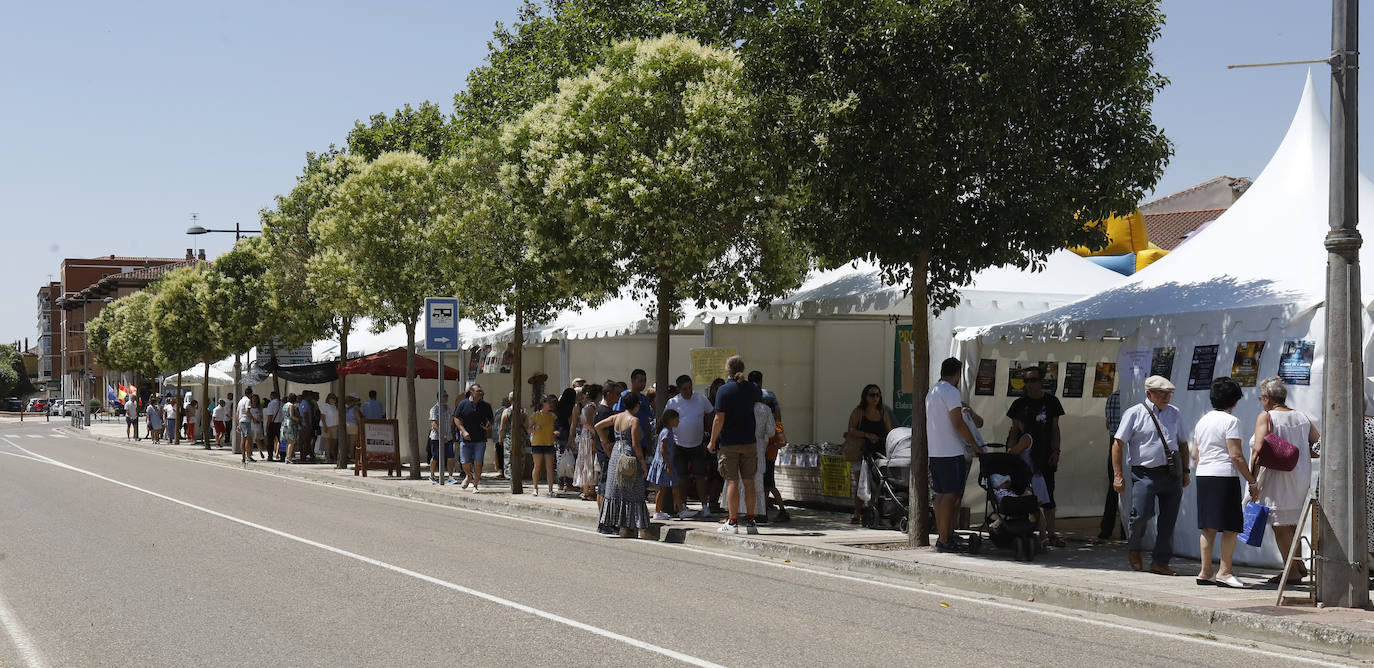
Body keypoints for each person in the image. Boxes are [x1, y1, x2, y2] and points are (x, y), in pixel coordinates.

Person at [1113, 375, 1191, 576]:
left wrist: (1186, 471)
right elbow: (1118, 444)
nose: (1166, 397)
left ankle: (1160, 562)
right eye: (1162, 393)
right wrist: (1118, 475)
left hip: (1171, 473)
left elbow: (1183, 443)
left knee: (1168, 520)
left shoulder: (1175, 413)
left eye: (1169, 394)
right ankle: (1134, 548)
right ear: (1149, 394)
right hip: (1144, 474)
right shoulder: (1135, 413)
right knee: (1140, 515)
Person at [1250, 376, 1320, 585]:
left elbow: (1257, 449)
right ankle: (1297, 565)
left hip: (1276, 478)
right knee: (1292, 524)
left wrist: (1252, 481)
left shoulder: (1266, 416)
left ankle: (1291, 570)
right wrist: (1298, 453)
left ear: (1267, 398)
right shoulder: (1301, 417)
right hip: (1299, 477)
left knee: (1280, 526)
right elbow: (1318, 445)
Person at [1192, 377, 1257, 588]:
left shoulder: (1202, 420)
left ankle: (1205, 571)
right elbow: (1236, 455)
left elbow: (1195, 454)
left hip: (1203, 475)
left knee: (1208, 527)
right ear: (1235, 400)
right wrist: (1251, 480)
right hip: (1224, 476)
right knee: (1230, 527)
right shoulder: (1231, 421)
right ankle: (1225, 571)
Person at [927, 358, 985, 552]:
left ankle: (945, 535)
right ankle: (944, 538)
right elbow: (958, 424)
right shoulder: (951, 392)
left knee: (941, 496)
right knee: (950, 496)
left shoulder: (932, 392)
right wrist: (975, 445)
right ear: (957, 374)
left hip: (936, 451)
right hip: (951, 451)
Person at [1005, 365, 1066, 546]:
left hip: (1045, 455)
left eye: (1033, 380)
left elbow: (1055, 429)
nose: (1029, 384)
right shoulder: (1019, 404)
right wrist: (1011, 452)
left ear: (1041, 381)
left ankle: (1051, 533)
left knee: (1048, 495)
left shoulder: (1052, 402)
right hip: (1024, 455)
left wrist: (1056, 451)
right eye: (1026, 381)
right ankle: (1030, 531)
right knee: (1025, 494)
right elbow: (1014, 430)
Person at [707, 355, 761, 535]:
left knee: (732, 482)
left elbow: (718, 419)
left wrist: (712, 441)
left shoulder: (723, 391)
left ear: (727, 369)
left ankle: (733, 522)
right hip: (749, 441)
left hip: (729, 442)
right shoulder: (752, 388)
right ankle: (751, 522)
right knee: (749, 482)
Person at [595, 389, 653, 538]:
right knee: (636, 491)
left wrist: (605, 442)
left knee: (619, 492)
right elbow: (636, 444)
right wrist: (643, 463)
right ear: (636, 405)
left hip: (616, 455)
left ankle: (624, 528)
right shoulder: (634, 420)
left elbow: (597, 426)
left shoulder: (617, 417)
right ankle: (643, 530)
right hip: (629, 456)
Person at [665, 375, 712, 519]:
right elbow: (666, 421)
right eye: (685, 389)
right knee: (682, 477)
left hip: (697, 444)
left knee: (700, 476)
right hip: (679, 445)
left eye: (690, 387)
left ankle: (705, 506)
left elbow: (711, 414)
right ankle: (683, 505)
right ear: (679, 389)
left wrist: (708, 435)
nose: (688, 391)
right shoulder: (673, 402)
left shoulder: (701, 399)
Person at [847, 383, 892, 523]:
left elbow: (890, 431)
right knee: (861, 482)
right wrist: (867, 435)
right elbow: (851, 430)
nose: (875, 398)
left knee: (875, 484)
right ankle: (857, 512)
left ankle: (872, 510)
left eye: (878, 395)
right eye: (872, 395)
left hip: (877, 453)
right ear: (865, 397)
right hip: (860, 452)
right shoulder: (858, 412)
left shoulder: (883, 412)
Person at [748, 370, 788, 523]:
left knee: (767, 483)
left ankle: (775, 510)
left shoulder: (749, 398)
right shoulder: (770, 395)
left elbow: (778, 430)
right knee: (766, 483)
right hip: (767, 448)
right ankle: (763, 510)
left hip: (763, 448)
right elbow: (778, 416)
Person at [594, 383, 622, 533]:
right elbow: (604, 438)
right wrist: (611, 455)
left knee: (603, 488)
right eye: (617, 393)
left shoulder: (604, 410)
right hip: (606, 454)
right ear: (609, 394)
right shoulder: (604, 412)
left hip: (603, 453)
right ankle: (605, 522)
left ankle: (603, 520)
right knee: (605, 489)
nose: (619, 397)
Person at [455, 384, 494, 493]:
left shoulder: (486, 405)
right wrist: (463, 431)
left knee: (478, 462)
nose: (481, 393)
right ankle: (468, 476)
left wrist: (488, 426)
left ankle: (476, 485)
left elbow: (491, 420)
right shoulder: (463, 404)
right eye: (478, 391)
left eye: (481, 391)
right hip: (466, 439)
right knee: (465, 463)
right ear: (472, 392)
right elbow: (456, 419)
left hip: (480, 439)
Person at [1099, 389, 1125, 541]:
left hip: (1113, 443)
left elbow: (1108, 424)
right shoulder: (1135, 399)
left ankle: (1106, 529)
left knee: (1113, 487)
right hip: (1127, 445)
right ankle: (1124, 529)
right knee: (1127, 490)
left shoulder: (1112, 397)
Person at [648, 409, 680, 520]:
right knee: (663, 489)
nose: (678, 421)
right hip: (665, 464)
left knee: (673, 486)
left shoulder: (668, 431)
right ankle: (658, 511)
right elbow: (662, 450)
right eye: (676, 419)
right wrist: (668, 465)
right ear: (670, 420)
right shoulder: (666, 432)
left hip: (666, 463)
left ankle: (680, 509)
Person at [573, 385, 603, 500]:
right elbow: (587, 422)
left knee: (587, 462)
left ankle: (587, 489)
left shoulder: (587, 406)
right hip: (589, 437)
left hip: (585, 436)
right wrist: (596, 433)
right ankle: (588, 490)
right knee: (589, 462)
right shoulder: (592, 406)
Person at [528, 395, 559, 496]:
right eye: (548, 402)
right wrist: (534, 428)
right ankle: (535, 488)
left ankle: (550, 489)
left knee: (550, 467)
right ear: (543, 403)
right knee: (537, 466)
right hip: (537, 444)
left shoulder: (553, 416)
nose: (550, 405)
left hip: (549, 443)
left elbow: (556, 427)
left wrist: (556, 432)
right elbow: (528, 430)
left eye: (551, 403)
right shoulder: (536, 415)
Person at [428, 390, 456, 484]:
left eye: (447, 395)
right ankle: (432, 475)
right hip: (437, 437)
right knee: (435, 456)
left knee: (451, 456)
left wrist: (452, 432)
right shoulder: (434, 409)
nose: (447, 397)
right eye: (445, 396)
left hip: (449, 436)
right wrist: (442, 434)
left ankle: (450, 476)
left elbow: (450, 422)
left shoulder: (448, 408)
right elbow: (434, 424)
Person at [554, 387, 577, 492]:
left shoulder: (558, 406)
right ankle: (568, 483)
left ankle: (560, 483)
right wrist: (571, 439)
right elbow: (571, 423)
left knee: (560, 458)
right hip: (566, 433)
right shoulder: (570, 407)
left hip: (558, 433)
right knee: (569, 459)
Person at [493, 394, 511, 479]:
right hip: (505, 436)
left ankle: (501, 471)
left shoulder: (498, 411)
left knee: (500, 455)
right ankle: (505, 472)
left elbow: (495, 424)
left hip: (497, 436)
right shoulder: (508, 411)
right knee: (506, 455)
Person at [320, 393, 340, 464]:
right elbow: (322, 416)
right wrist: (325, 426)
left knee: (334, 442)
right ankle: (328, 457)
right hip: (326, 426)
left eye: (334, 398)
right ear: (328, 399)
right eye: (331, 398)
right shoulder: (325, 406)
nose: (333, 400)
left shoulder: (335, 406)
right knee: (327, 442)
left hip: (334, 426)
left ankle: (330, 454)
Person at [281, 394, 300, 463]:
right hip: (291, 424)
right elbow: (291, 415)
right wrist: (298, 419)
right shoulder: (291, 405)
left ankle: (287, 456)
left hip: (285, 423)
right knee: (292, 441)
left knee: (288, 441)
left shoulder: (284, 405)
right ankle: (288, 457)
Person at [237, 391, 254, 457]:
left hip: (241, 420)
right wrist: (253, 418)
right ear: (250, 394)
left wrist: (238, 424)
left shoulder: (240, 401)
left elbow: (237, 413)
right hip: (246, 421)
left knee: (243, 439)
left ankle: (243, 456)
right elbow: (247, 411)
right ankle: (248, 456)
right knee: (248, 439)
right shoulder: (248, 400)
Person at [250, 395, 267, 461]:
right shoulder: (249, 407)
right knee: (250, 440)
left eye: (256, 399)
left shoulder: (260, 407)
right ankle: (250, 452)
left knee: (258, 440)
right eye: (253, 399)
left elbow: (261, 416)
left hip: (257, 425)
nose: (254, 400)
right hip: (251, 424)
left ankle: (260, 452)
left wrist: (259, 417)